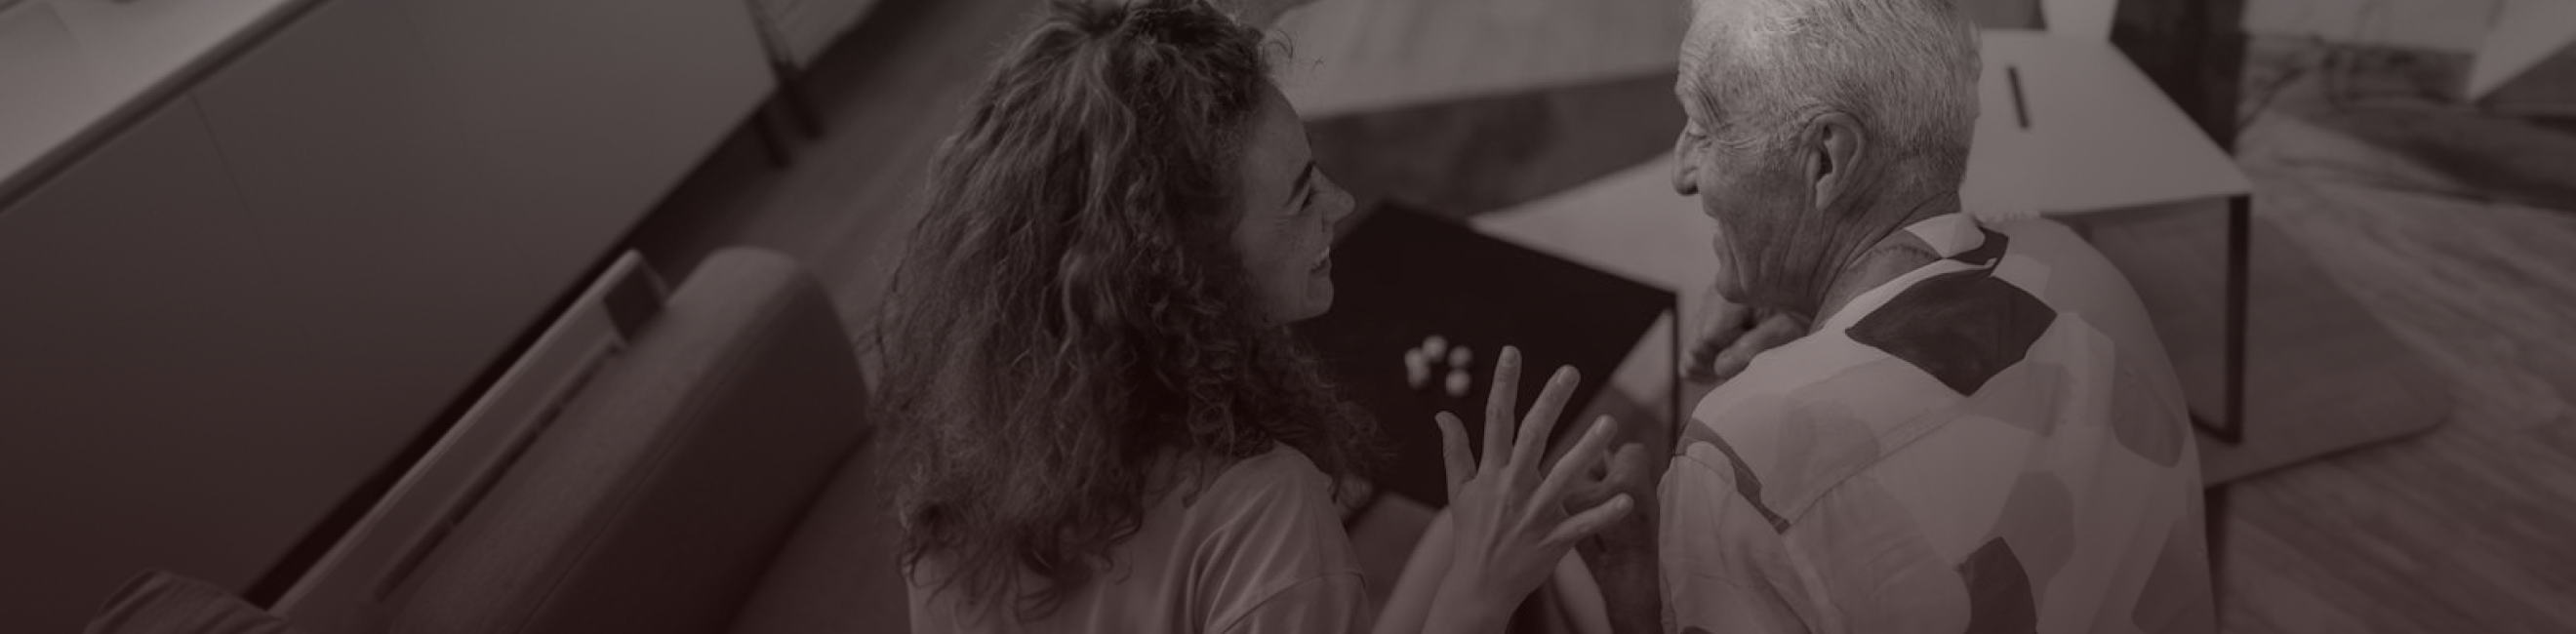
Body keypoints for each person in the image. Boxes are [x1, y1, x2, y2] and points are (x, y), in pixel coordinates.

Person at [870, 0, 1634, 632]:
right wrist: (1480, 598)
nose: (1340, 202)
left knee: (1453, 534)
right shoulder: (1267, 517)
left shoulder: (963, 448)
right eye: (1301, 196)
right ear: (1186, 270)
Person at [1564, 0, 2221, 632]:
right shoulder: (2087, 275)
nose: (1682, 171)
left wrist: (1637, 588)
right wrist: (1809, 308)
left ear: (1825, 159)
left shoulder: (1742, 457)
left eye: (1706, 130)